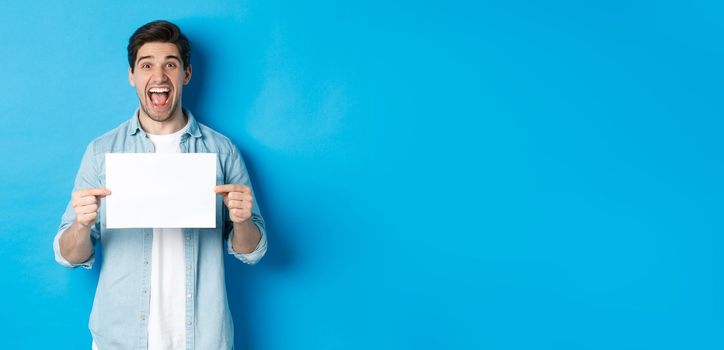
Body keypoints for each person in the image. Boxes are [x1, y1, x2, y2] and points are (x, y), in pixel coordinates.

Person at [52, 20, 267, 349]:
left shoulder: (222, 151)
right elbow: (69, 255)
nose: (159, 75)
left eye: (170, 64)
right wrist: (81, 225)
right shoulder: (101, 152)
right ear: (132, 76)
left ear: (186, 74)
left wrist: (241, 221)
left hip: (203, 339)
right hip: (120, 340)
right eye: (146, 65)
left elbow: (252, 250)